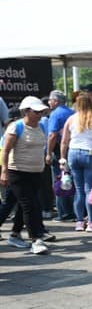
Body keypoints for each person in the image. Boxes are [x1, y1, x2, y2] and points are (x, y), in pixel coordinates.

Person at [1, 96, 50, 254]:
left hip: (35, 172)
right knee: (31, 205)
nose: (39, 114)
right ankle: (36, 239)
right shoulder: (16, 127)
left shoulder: (41, 127)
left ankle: (15, 234)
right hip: (18, 172)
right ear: (26, 111)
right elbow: (6, 151)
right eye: (36, 112)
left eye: (41, 111)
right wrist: (4, 172)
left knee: (13, 204)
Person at [60, 92, 92, 232]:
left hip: (73, 153)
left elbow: (64, 141)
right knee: (89, 189)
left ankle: (79, 221)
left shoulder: (71, 119)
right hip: (91, 154)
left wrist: (62, 158)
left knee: (79, 190)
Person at [46, 90, 75, 222]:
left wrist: (48, 153)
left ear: (56, 101)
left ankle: (63, 212)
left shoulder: (55, 114)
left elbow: (52, 136)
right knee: (71, 181)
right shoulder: (72, 112)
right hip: (72, 149)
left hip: (59, 151)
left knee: (60, 181)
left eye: (50, 100)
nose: (48, 102)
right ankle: (74, 211)